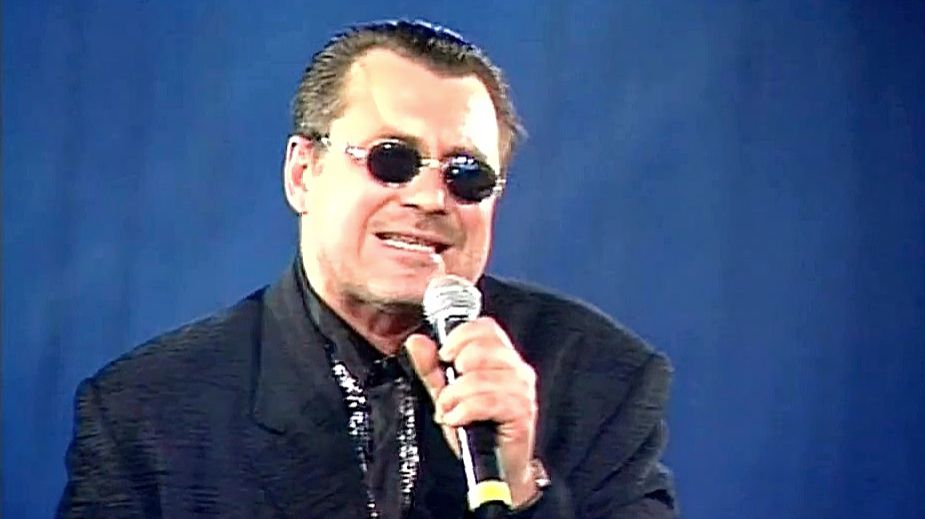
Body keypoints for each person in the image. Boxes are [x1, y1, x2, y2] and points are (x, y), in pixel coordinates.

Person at [57, 19, 677, 519]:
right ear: (303, 174)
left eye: (466, 175)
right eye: (392, 159)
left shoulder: (599, 378)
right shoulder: (150, 413)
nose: (430, 199)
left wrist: (520, 491)